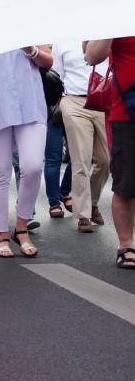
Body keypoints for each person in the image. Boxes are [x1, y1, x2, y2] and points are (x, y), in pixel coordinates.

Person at [0, 46, 52, 258]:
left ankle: (21, 227)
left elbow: (48, 62)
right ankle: (1, 234)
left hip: (31, 105)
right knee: (0, 172)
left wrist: (29, 49)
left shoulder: (25, 23)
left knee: (33, 166)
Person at [85, 37, 135, 269]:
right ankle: (126, 245)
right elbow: (92, 56)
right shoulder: (114, 13)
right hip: (126, 112)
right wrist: (110, 27)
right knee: (126, 183)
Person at [54, 41, 110, 233]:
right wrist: (62, 100)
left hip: (103, 101)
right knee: (81, 160)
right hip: (74, 102)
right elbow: (56, 75)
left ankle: (92, 203)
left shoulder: (104, 34)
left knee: (106, 160)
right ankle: (83, 215)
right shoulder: (62, 41)